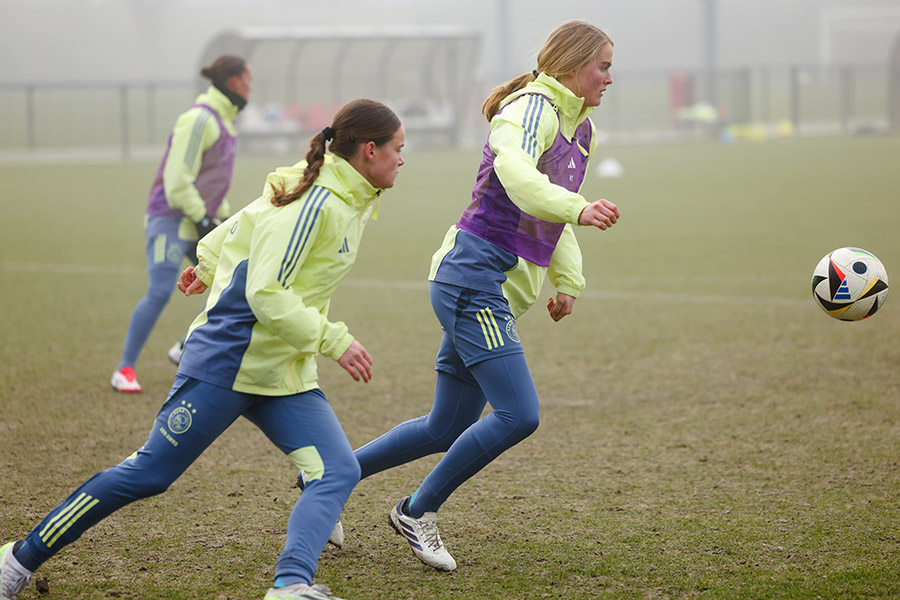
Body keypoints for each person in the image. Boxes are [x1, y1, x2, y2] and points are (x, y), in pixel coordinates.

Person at [1, 99, 406, 600]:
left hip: (281, 370)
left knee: (337, 470)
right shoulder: (317, 201)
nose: (402, 159)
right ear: (370, 150)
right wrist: (335, 340)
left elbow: (245, 221)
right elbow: (266, 293)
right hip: (228, 360)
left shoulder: (344, 196)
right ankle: (17, 559)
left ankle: (289, 585)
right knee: (150, 473)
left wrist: (209, 262)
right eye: (398, 148)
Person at [350, 20, 619, 571]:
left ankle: (328, 476)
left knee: (446, 426)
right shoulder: (531, 109)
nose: (609, 78)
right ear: (573, 66)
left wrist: (567, 280)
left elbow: (549, 206)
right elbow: (517, 175)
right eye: (603, 66)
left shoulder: (582, 130)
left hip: (484, 285)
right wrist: (579, 208)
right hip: (474, 278)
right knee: (519, 414)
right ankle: (416, 510)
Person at [111, 54, 252, 393]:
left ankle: (184, 346)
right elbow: (176, 181)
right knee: (161, 291)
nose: (251, 88)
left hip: (201, 220)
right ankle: (124, 370)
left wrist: (221, 220)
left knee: (234, 282)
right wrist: (202, 217)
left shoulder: (226, 121)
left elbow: (213, 183)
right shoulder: (200, 119)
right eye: (249, 81)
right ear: (235, 81)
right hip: (170, 220)